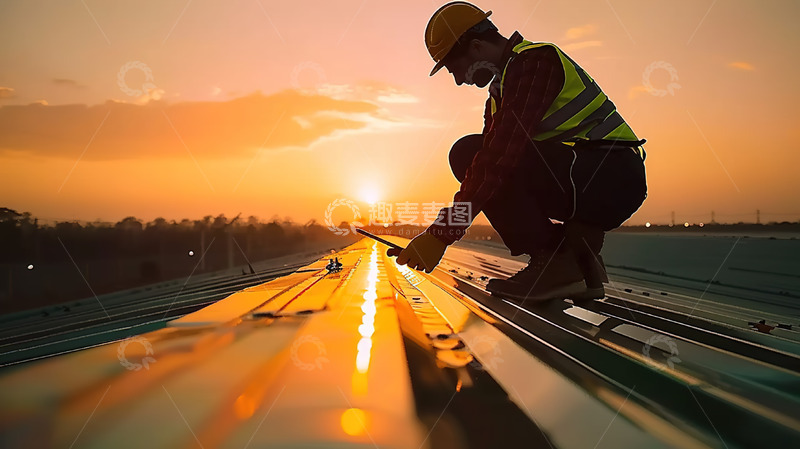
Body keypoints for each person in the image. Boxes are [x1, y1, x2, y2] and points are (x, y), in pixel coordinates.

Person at [389, 1, 648, 303]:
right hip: (587, 175)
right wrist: (433, 237)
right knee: (475, 157)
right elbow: (487, 175)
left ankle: (554, 261)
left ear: (475, 47)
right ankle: (571, 262)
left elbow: (496, 160)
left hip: (612, 175)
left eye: (453, 68)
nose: (459, 80)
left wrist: (442, 233)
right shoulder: (500, 92)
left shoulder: (534, 63)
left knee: (468, 152)